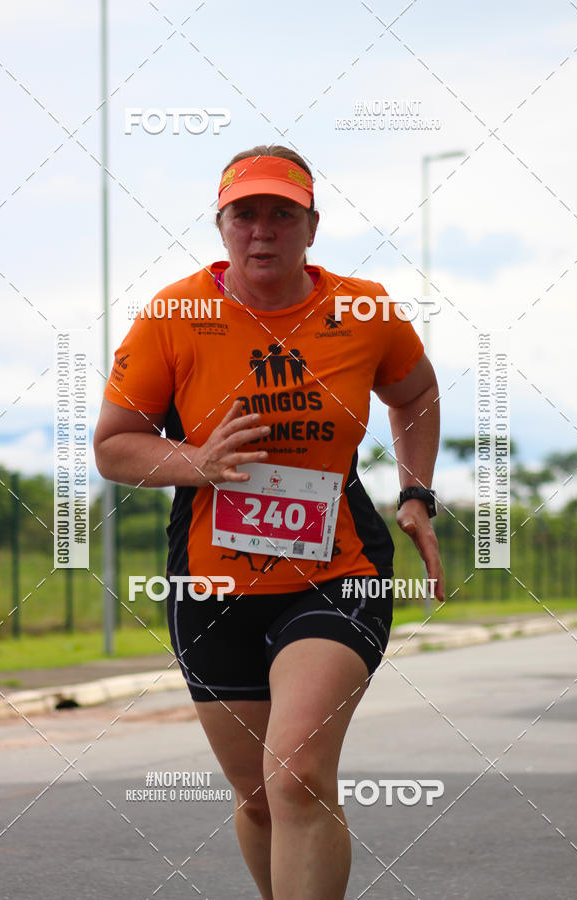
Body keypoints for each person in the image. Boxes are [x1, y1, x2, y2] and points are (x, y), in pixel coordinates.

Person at [94, 145, 444, 899]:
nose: (263, 230)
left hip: (336, 571)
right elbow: (115, 447)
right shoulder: (173, 317)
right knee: (258, 797)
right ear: (221, 226)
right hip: (212, 584)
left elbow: (415, 395)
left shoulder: (365, 309)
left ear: (311, 226)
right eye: (244, 214)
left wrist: (417, 493)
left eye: (282, 214)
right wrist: (200, 462)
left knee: (297, 775)